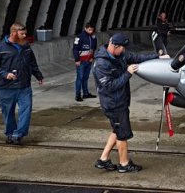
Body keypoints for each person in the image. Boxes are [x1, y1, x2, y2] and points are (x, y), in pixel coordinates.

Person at [93, 33, 169, 173]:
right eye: (122, 48)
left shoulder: (119, 54)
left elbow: (137, 57)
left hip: (120, 101)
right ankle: (124, 164)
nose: (124, 51)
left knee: (117, 130)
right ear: (114, 46)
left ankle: (103, 159)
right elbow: (109, 87)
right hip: (114, 104)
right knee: (122, 134)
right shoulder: (102, 64)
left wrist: (158, 56)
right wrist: (128, 73)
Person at [0, 22, 44, 145]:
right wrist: (5, 74)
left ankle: (18, 134)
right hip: (6, 87)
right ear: (14, 33)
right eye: (22, 33)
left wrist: (38, 75)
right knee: (8, 112)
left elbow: (32, 63)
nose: (25, 36)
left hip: (24, 86)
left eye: (25, 33)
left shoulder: (26, 47)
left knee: (26, 110)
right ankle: (10, 133)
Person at [72, 23, 97, 101]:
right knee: (80, 78)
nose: (90, 31)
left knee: (85, 78)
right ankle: (78, 95)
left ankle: (86, 93)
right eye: (89, 30)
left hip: (88, 61)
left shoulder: (93, 37)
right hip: (81, 62)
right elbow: (75, 49)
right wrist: (77, 60)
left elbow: (93, 48)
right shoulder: (79, 37)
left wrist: (92, 57)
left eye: (92, 30)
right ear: (85, 28)